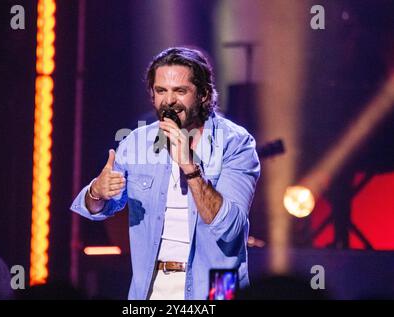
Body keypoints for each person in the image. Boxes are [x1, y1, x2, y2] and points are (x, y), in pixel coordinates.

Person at [70, 47, 260, 300]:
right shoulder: (138, 141)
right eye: (161, 91)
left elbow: (230, 228)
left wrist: (189, 167)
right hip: (152, 283)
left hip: (218, 284)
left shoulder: (235, 142)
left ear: (203, 94)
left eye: (180, 91)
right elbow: (95, 209)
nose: (169, 101)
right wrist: (97, 192)